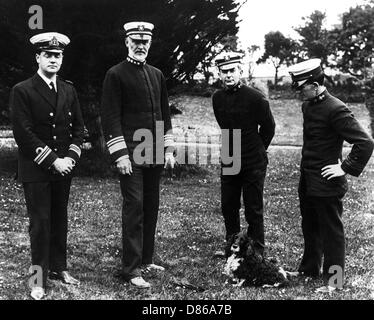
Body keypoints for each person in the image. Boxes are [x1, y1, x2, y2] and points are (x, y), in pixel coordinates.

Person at [100, 21, 176, 288]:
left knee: (151, 206)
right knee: (134, 207)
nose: (141, 45)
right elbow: (110, 118)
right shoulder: (115, 74)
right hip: (130, 153)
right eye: (136, 41)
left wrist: (167, 148)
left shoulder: (156, 74)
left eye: (145, 42)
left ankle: (146, 258)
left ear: (150, 43)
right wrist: (120, 154)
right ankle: (131, 270)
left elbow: (164, 115)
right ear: (127, 43)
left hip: (153, 151)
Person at [9, 32, 84, 299]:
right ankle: (37, 279)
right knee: (40, 223)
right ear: (38, 58)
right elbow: (23, 133)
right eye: (48, 55)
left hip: (64, 168)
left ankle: (59, 268)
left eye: (58, 56)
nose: (53, 60)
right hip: (37, 168)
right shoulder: (23, 90)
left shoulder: (68, 89)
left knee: (59, 218)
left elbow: (79, 129)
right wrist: (54, 161)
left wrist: (70, 160)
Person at [288, 58, 374, 290]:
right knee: (310, 225)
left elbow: (365, 143)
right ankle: (309, 269)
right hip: (308, 180)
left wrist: (344, 167)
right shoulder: (308, 106)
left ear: (315, 85)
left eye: (301, 87)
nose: (298, 93)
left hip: (327, 182)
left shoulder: (336, 109)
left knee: (331, 232)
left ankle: (334, 281)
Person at [212, 52, 276, 257]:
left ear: (240, 71)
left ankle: (256, 250)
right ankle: (233, 247)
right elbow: (224, 125)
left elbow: (269, 127)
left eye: (232, 70)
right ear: (219, 73)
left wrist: (257, 149)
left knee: (253, 208)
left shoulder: (256, 98)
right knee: (228, 205)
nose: (229, 75)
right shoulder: (217, 98)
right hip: (230, 157)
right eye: (224, 71)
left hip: (252, 160)